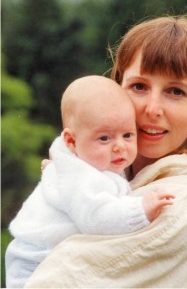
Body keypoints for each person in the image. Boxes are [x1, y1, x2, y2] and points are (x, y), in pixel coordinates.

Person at [25, 15, 187, 288]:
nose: (152, 108)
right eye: (139, 87)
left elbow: (56, 279)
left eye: (175, 92)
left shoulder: (179, 203)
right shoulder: (106, 176)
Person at [5, 75, 174, 289]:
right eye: (104, 138)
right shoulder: (80, 176)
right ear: (71, 141)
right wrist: (141, 209)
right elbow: (97, 217)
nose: (120, 146)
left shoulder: (81, 164)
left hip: (45, 258)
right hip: (35, 263)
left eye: (128, 135)